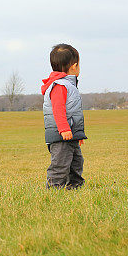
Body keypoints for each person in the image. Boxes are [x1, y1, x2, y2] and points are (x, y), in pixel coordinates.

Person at [40, 43, 87, 189]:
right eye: (79, 65)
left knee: (76, 162)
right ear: (74, 66)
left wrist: (76, 135)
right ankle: (54, 189)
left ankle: (75, 187)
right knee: (60, 164)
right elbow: (58, 110)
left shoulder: (69, 86)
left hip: (70, 134)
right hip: (61, 135)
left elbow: (72, 112)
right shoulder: (60, 86)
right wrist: (64, 129)